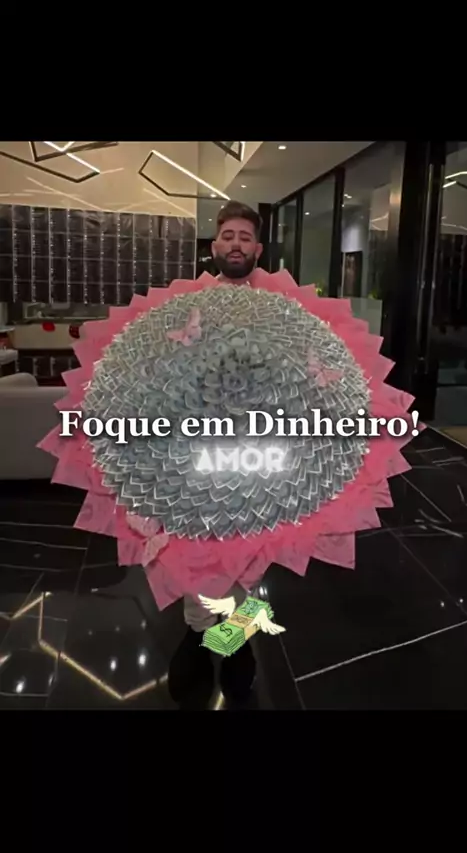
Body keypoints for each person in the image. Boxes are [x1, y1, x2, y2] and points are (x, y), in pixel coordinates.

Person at [168, 201, 264, 710]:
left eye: (245, 237)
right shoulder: (189, 306)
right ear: (214, 246)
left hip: (258, 453)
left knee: (247, 557)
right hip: (197, 448)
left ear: (258, 249)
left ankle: (233, 644)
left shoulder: (280, 308)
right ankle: (199, 639)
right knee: (197, 550)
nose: (236, 244)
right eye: (228, 235)